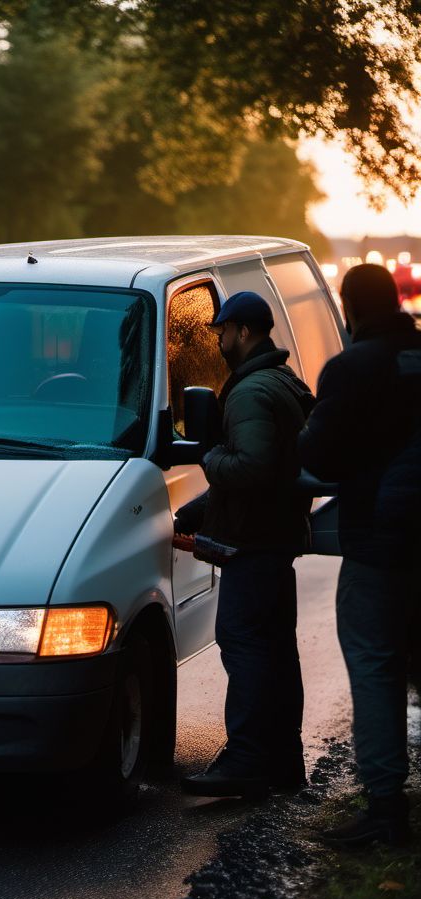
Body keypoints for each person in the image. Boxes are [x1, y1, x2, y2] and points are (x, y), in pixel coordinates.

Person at [298, 263, 421, 846]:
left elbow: (319, 459)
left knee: (376, 668)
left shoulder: (351, 370)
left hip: (380, 543)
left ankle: (386, 814)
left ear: (349, 308)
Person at [178, 291, 315, 798]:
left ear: (242, 331)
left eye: (221, 332)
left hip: (256, 544)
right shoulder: (280, 382)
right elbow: (271, 469)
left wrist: (208, 454)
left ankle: (250, 760)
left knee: (245, 643)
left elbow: (252, 468)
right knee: (276, 650)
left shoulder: (251, 392)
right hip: (275, 538)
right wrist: (195, 514)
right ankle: (282, 761)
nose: (217, 341)